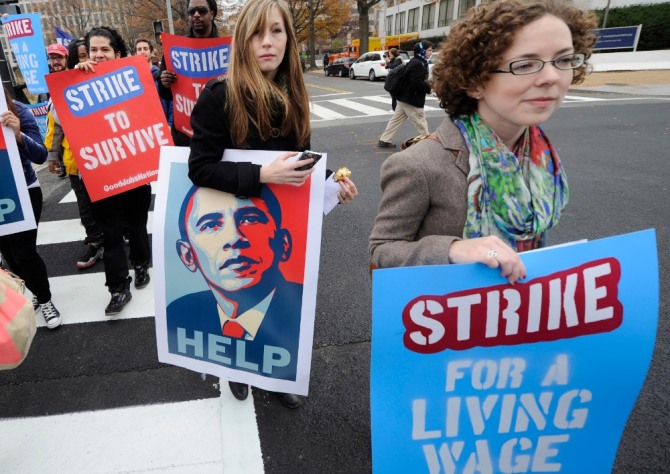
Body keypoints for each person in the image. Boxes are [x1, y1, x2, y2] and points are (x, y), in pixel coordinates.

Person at [189, 0, 357, 408]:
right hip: (235, 219)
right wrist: (261, 176)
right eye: (257, 33)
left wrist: (329, 186)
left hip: (278, 227)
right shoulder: (219, 96)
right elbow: (200, 168)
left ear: (289, 39)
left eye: (277, 32)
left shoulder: (294, 96)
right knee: (235, 303)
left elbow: (299, 165)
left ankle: (278, 375)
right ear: (242, 41)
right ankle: (234, 369)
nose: (267, 42)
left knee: (278, 301)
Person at [369, 0, 596, 283]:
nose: (552, 77)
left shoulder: (540, 155)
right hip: (444, 317)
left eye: (563, 60)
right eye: (525, 64)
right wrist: (453, 249)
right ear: (475, 81)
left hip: (522, 313)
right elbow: (382, 249)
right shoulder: (417, 165)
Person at [167, 186, 303, 381]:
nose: (234, 238)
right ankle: (235, 373)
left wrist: (330, 187)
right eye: (210, 224)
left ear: (283, 244)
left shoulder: (301, 309)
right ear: (188, 256)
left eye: (250, 219)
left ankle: (281, 381)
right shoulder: (178, 313)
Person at [77, 26, 152, 316]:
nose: (98, 55)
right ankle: (119, 288)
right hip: (100, 175)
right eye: (93, 50)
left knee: (136, 224)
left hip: (132, 170)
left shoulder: (134, 80)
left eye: (104, 49)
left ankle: (141, 263)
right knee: (110, 233)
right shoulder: (74, 83)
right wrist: (75, 78)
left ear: (117, 54)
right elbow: (59, 117)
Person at [0, 88, 62, 329]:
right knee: (9, 254)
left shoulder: (17, 110)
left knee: (24, 251)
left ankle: (45, 299)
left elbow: (40, 155)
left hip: (23, 190)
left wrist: (18, 135)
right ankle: (34, 291)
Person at [44, 42, 105, 271]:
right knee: (84, 206)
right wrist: (53, 155)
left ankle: (113, 234)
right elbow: (56, 126)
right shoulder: (53, 88)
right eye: (52, 58)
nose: (56, 62)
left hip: (96, 155)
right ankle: (97, 241)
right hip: (74, 161)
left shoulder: (81, 77)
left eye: (59, 57)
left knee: (104, 201)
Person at [157, 0, 219, 146]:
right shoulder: (175, 49)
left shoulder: (229, 48)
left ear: (212, 13)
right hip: (185, 137)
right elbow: (165, 94)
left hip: (219, 134)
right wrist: (164, 82)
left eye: (201, 10)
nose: (196, 15)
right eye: (192, 12)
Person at [377, 40, 433, 148]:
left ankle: (384, 139)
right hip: (411, 99)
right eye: (429, 50)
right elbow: (415, 83)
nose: (431, 52)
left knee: (396, 120)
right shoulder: (418, 64)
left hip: (403, 97)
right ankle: (428, 145)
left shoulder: (416, 61)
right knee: (421, 122)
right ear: (422, 51)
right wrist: (429, 89)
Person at [135, 38, 173, 128]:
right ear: (135, 54)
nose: (142, 52)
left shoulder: (162, 76)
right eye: (139, 49)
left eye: (145, 48)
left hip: (165, 127)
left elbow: (172, 102)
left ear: (151, 53)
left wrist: (170, 125)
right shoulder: (133, 79)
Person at [385, 48, 403, 112]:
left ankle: (395, 109)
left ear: (394, 54)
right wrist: (387, 61)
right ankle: (396, 108)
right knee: (393, 93)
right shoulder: (394, 59)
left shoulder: (398, 59)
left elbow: (393, 66)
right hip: (393, 79)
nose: (389, 55)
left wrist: (388, 61)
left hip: (398, 80)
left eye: (390, 54)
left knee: (394, 93)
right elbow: (387, 66)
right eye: (389, 54)